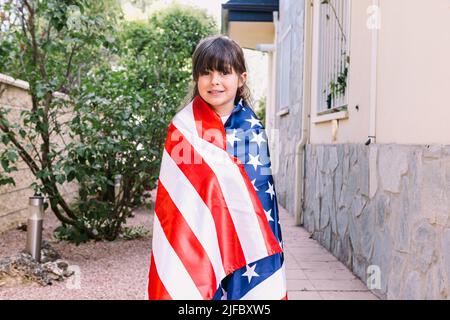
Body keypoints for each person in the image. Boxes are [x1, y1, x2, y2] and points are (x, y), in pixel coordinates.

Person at [148, 35, 287, 300]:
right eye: (206, 73)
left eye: (224, 72)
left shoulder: (252, 131)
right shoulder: (183, 129)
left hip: (245, 246)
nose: (215, 81)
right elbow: (177, 199)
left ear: (241, 78)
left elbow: (259, 199)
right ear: (196, 78)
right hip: (195, 239)